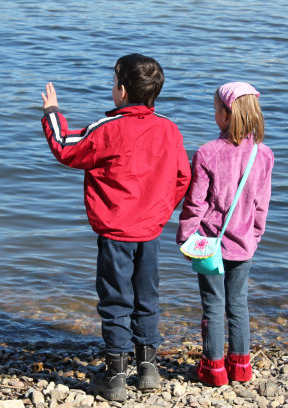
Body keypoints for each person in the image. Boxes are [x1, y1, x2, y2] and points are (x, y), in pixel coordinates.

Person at [40, 53, 191, 401]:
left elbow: (65, 148)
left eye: (113, 83)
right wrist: (160, 209)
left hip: (115, 232)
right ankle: (148, 368)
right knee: (147, 297)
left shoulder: (107, 129)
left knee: (115, 300)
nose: (112, 88)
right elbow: (183, 176)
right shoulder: (169, 129)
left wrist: (51, 113)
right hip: (150, 231)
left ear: (121, 91)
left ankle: (116, 376)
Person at [176, 82, 274, 386]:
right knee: (238, 305)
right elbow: (262, 204)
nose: (214, 114)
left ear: (226, 114)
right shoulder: (264, 154)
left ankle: (213, 370)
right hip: (245, 243)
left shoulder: (207, 153)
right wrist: (255, 237)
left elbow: (196, 203)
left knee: (213, 307)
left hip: (209, 243)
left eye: (215, 109)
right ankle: (241, 367)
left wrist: (185, 235)